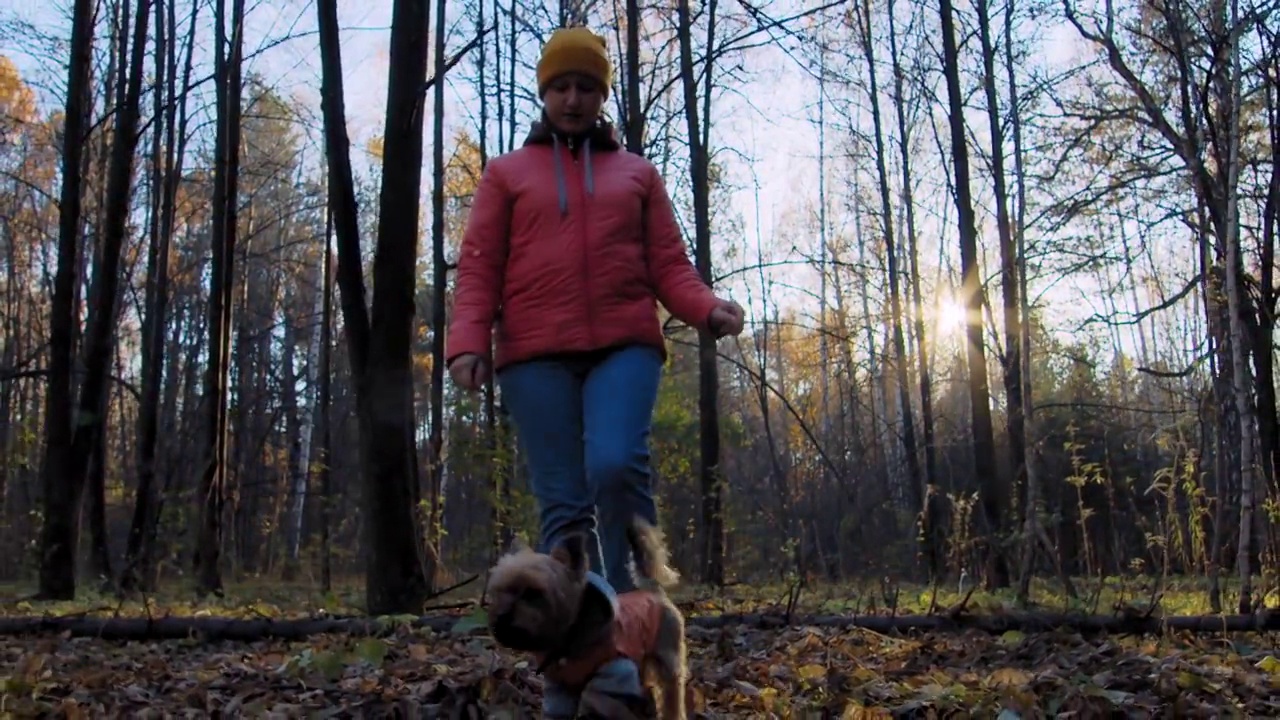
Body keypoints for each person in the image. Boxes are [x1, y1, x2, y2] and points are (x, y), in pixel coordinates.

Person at [445, 28, 743, 712]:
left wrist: (705, 307)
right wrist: (468, 341)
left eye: (586, 87)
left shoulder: (635, 174)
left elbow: (668, 263)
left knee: (614, 464)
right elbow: (481, 264)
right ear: (544, 93)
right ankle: (576, 647)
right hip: (532, 352)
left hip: (622, 344)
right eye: (561, 86)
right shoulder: (506, 174)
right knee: (564, 510)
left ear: (601, 96)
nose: (573, 99)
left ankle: (631, 626)